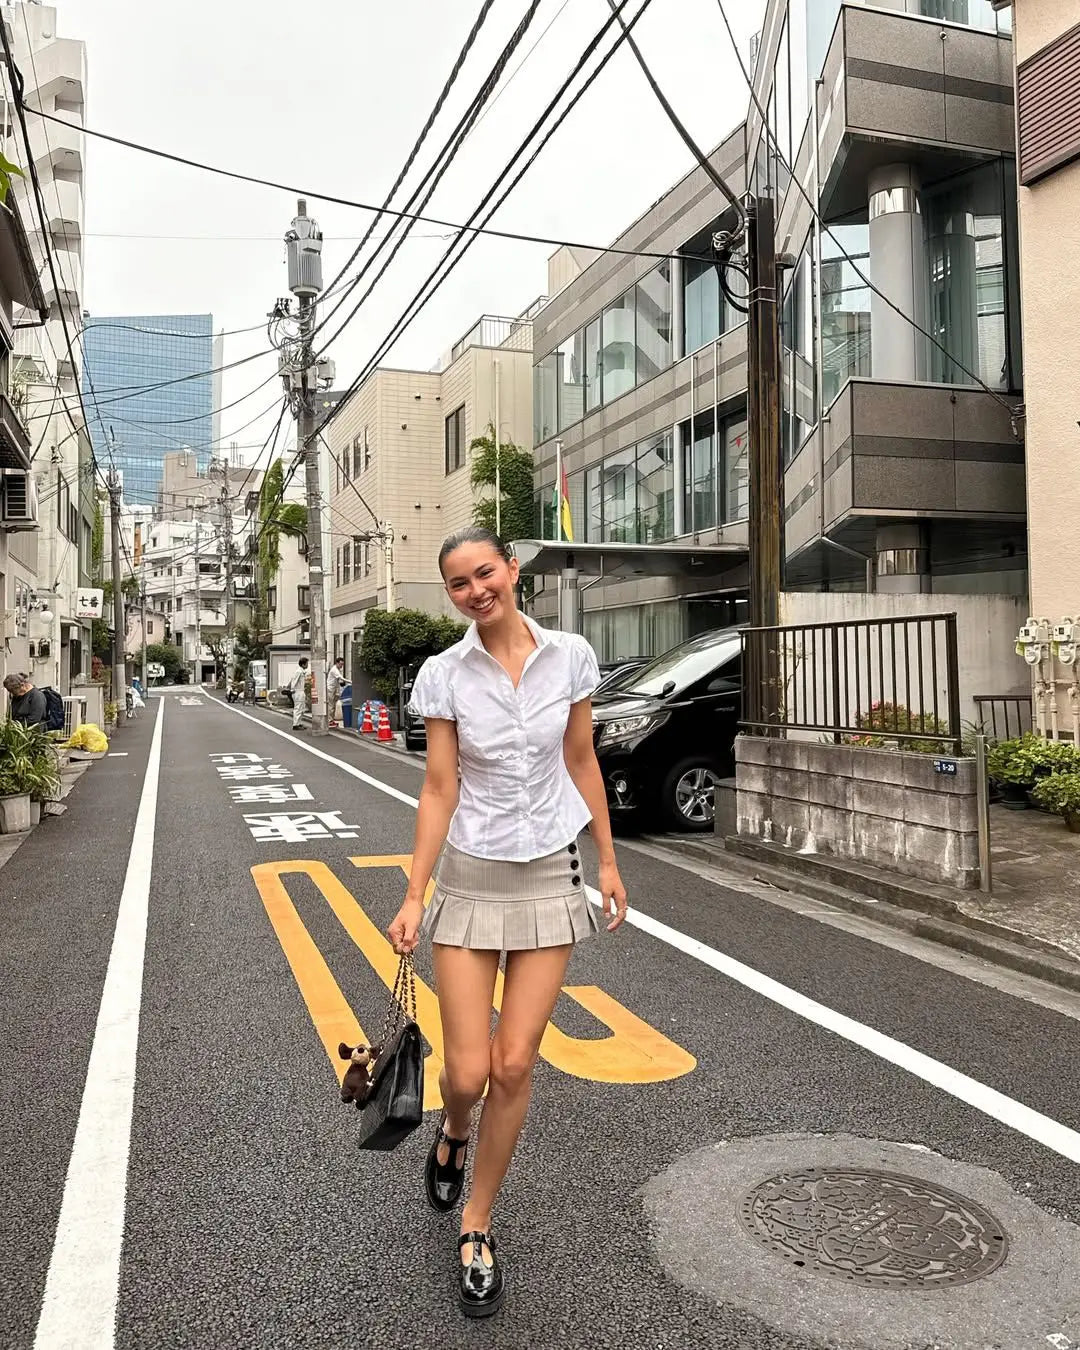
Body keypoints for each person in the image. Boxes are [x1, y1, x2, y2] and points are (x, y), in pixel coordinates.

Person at [388, 526, 627, 1319]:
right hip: (470, 875)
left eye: (484, 572)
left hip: (550, 875)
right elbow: (438, 788)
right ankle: (453, 1131)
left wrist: (609, 862)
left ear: (512, 569)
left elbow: (582, 757)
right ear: (451, 594)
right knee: (465, 1073)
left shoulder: (571, 656)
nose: (475, 590)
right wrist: (415, 893)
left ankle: (477, 1224)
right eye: (458, 583)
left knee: (515, 1064)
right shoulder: (444, 673)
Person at [288, 657, 309, 730]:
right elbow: (294, 681)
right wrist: (292, 689)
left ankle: (299, 723)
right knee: (298, 708)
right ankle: (295, 724)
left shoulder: (302, 671)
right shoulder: (298, 672)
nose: (307, 665)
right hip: (298, 691)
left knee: (302, 708)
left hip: (301, 691)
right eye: (306, 663)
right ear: (303, 664)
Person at [326, 656, 345, 727]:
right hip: (330, 689)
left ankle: (331, 720)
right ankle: (330, 721)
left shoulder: (337, 669)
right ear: (337, 663)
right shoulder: (334, 669)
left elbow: (339, 679)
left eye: (342, 664)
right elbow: (340, 678)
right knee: (331, 705)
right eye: (340, 664)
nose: (341, 666)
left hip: (334, 689)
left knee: (333, 705)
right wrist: (350, 682)